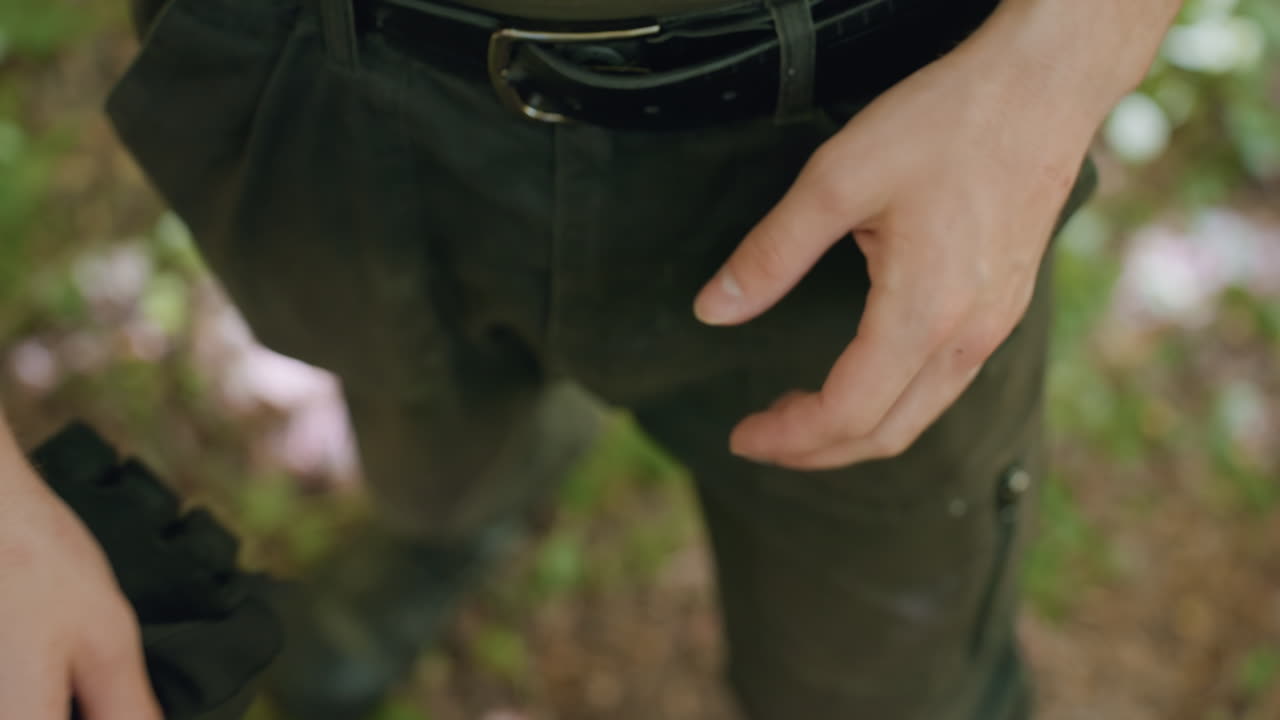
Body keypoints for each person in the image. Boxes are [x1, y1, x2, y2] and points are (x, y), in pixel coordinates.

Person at [0, 0, 1183, 717]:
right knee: (433, 456)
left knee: (879, 683)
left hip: (872, 110)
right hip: (330, 78)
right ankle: (446, 527)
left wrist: (1067, 52)